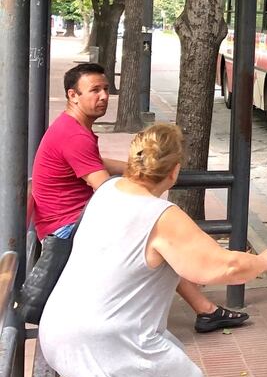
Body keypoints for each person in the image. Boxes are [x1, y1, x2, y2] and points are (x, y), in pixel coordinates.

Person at [39, 124, 267, 377]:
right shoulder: (160, 215)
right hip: (105, 345)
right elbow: (224, 267)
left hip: (58, 332)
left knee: (171, 354)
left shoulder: (107, 191)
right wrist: (264, 260)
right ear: (175, 171)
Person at [31, 63, 248, 333]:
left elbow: (97, 163)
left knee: (155, 240)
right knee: (153, 237)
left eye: (106, 89)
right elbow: (108, 194)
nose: (103, 97)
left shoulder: (70, 126)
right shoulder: (74, 135)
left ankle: (205, 310)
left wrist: (137, 168)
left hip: (66, 220)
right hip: (65, 228)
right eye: (94, 90)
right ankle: (204, 310)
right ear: (72, 95)